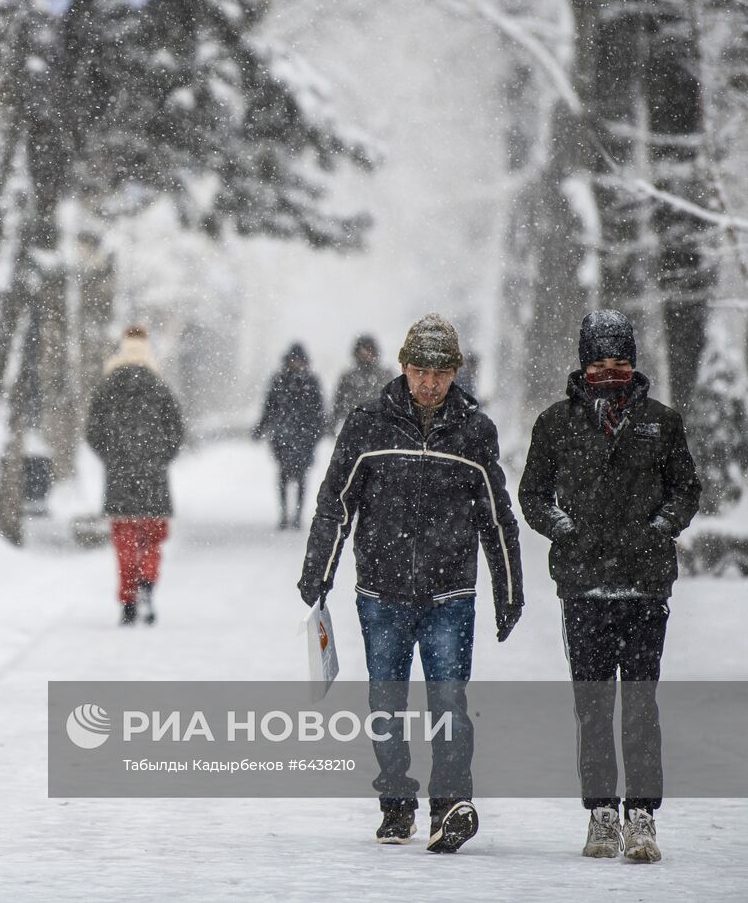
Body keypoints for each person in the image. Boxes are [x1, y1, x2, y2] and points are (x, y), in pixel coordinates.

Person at [298, 313, 523, 853]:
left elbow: (496, 515)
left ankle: (449, 804)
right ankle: (396, 801)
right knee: (385, 703)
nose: (429, 382)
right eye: (420, 370)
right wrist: (319, 570)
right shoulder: (367, 424)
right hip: (382, 591)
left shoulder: (474, 430)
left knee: (449, 700)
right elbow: (336, 501)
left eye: (440, 372)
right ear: (403, 367)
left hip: (450, 592)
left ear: (455, 373)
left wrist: (508, 589)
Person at [518, 309, 700, 864]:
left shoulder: (661, 423)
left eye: (620, 360)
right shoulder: (554, 424)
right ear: (582, 363)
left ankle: (642, 814)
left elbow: (685, 491)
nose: (610, 370)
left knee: (641, 706)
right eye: (599, 361)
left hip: (645, 588)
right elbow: (531, 496)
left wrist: (659, 529)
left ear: (634, 362)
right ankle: (601, 813)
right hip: (583, 588)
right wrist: (563, 529)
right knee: (593, 707)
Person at [86, 326, 185, 626]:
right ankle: (147, 584)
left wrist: (113, 456)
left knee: (125, 539)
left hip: (119, 476)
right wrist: (158, 457)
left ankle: (128, 598)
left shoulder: (107, 387)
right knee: (152, 539)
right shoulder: (159, 386)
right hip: (152, 476)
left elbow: (92, 431)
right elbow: (176, 431)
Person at [252, 344, 326, 529]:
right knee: (284, 476)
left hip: (304, 438)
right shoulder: (279, 381)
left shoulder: (311, 381)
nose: (296, 363)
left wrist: (318, 431)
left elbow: (319, 411)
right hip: (283, 437)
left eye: (299, 360)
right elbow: (269, 407)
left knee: (301, 477)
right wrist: (261, 428)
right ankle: (285, 513)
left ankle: (297, 515)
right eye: (293, 360)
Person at [331, 334, 392, 434]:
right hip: (354, 429)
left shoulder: (385, 375)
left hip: (381, 429)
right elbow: (338, 406)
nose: (366, 354)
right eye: (362, 350)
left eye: (369, 349)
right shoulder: (347, 377)